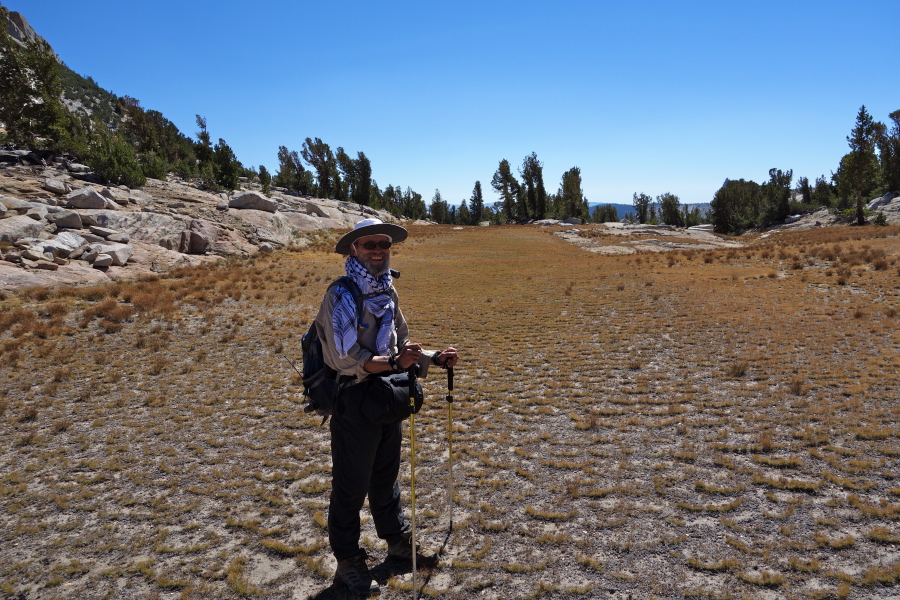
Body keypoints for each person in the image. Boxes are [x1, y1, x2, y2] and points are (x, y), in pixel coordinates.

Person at [314, 218, 459, 596]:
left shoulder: (386, 290)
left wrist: (432, 358)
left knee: (385, 475)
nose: (378, 249)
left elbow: (400, 343)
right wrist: (395, 365)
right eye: (369, 244)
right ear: (354, 251)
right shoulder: (342, 295)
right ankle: (348, 562)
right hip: (354, 399)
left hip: (384, 396)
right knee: (351, 485)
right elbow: (343, 357)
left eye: (383, 243)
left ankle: (396, 542)